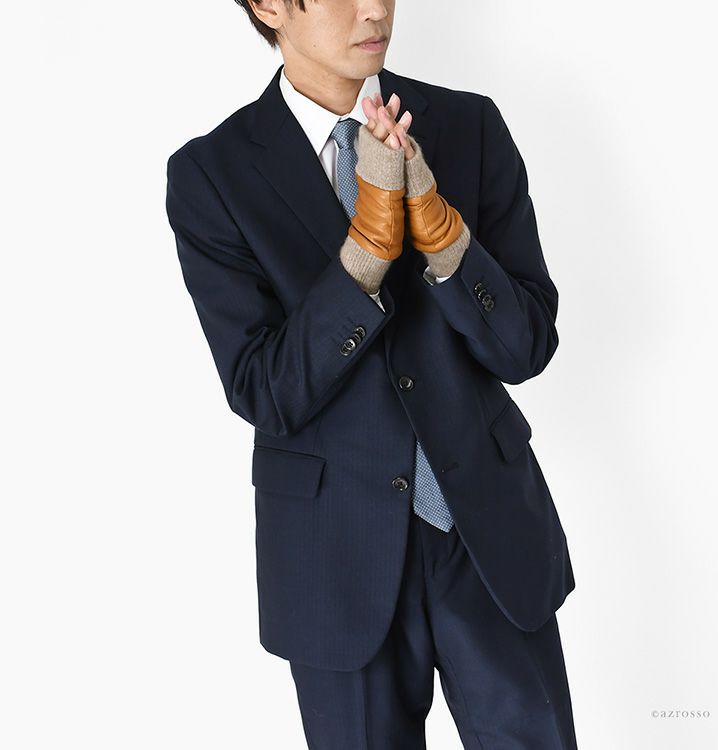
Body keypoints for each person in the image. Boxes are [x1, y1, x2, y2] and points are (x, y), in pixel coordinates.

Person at [165, 1, 578, 746]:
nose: (375, 9)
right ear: (268, 6)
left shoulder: (468, 124)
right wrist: (365, 254)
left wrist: (445, 238)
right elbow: (264, 389)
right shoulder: (212, 173)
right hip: (334, 554)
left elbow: (527, 347)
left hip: (485, 537)